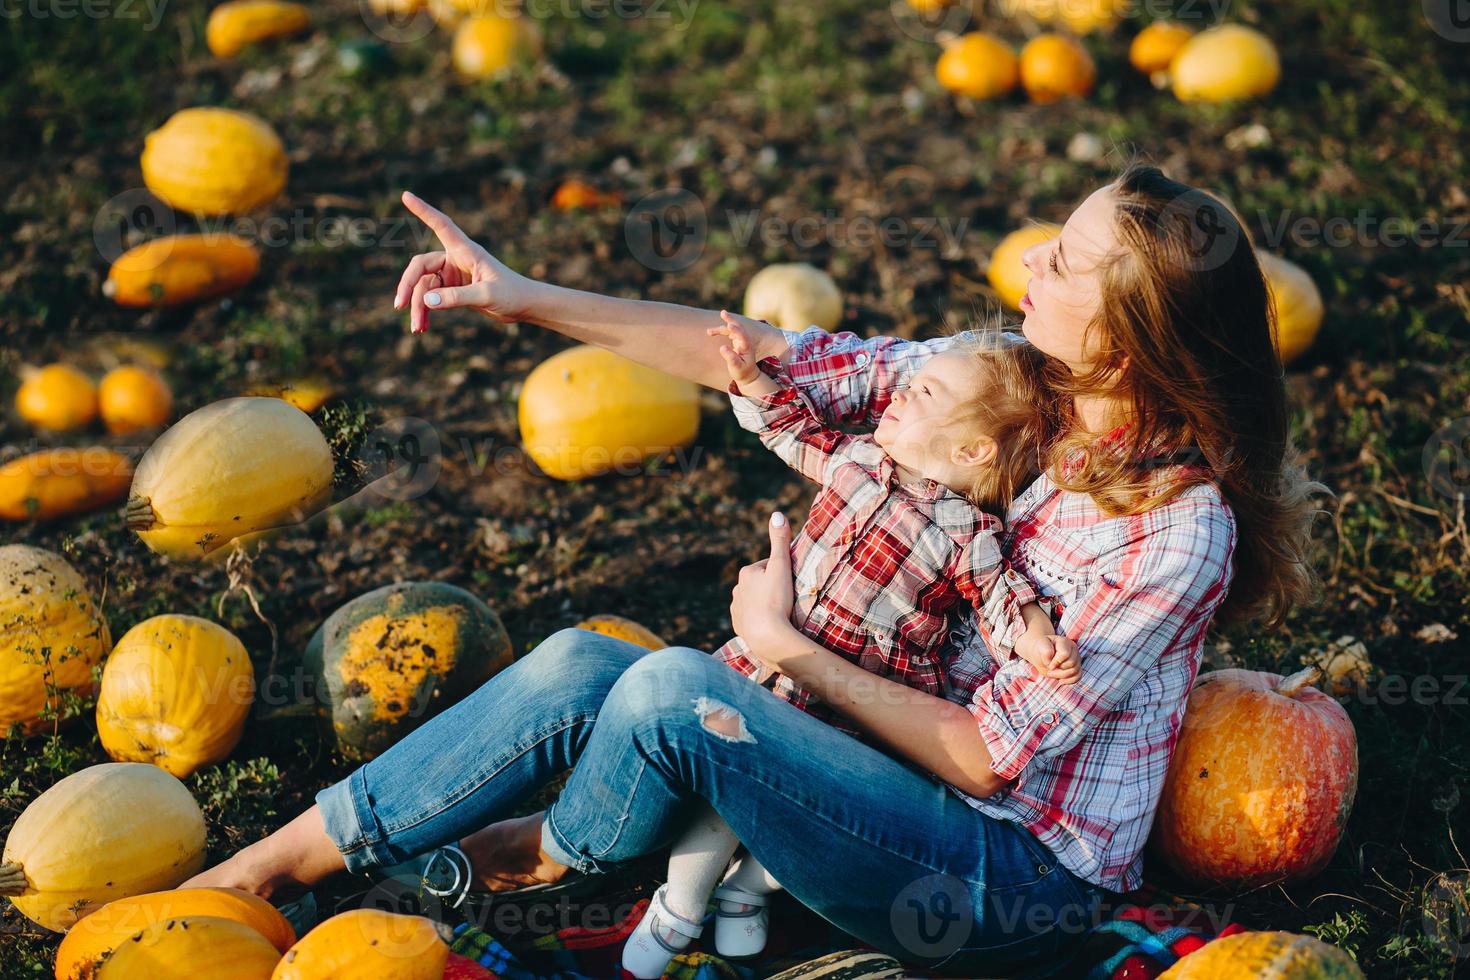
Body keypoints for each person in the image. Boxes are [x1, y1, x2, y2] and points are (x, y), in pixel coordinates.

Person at [184, 165, 1320, 975]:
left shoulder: (1175, 530)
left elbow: (987, 761)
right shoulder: (1013, 382)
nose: (1029, 259)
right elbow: (776, 358)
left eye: (1062, 260)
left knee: (681, 691)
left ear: (1120, 347)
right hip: (891, 772)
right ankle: (268, 864)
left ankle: (531, 855)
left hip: (1003, 874)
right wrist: (527, 294)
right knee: (591, 660)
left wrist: (787, 650)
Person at [620, 312, 1079, 977]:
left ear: (975, 451)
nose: (900, 395)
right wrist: (751, 379)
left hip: (853, 701)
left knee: (798, 816)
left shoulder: (971, 536)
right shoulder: (857, 460)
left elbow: (1005, 601)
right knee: (729, 781)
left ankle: (746, 892)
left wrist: (1038, 642)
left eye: (925, 395)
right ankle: (680, 906)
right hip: (774, 666)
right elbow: (792, 429)